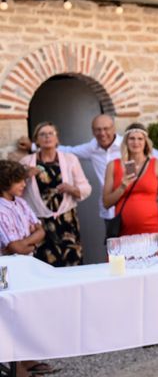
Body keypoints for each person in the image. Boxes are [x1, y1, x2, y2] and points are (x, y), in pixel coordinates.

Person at [20, 114, 158, 228]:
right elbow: (67, 150)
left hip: (137, 207)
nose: (102, 133)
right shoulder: (91, 148)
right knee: (115, 252)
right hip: (109, 209)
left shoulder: (130, 144)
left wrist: (141, 180)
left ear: (113, 128)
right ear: (92, 131)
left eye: (106, 129)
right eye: (98, 130)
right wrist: (34, 147)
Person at [0, 159, 55, 377]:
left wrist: (29, 240)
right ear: (5, 182)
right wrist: (31, 240)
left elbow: (41, 229)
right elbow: (14, 246)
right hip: (7, 269)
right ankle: (15, 365)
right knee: (12, 314)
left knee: (27, 311)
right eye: (18, 181)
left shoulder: (20, 203)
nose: (24, 184)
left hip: (25, 265)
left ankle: (26, 358)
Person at [20, 122, 91, 267]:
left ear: (57, 139)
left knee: (72, 263)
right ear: (36, 140)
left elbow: (85, 187)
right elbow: (15, 192)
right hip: (38, 224)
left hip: (67, 221)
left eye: (51, 133)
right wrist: (25, 175)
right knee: (43, 265)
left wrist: (71, 189)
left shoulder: (70, 159)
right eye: (42, 134)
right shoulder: (26, 162)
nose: (47, 137)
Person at [102, 123, 158, 253]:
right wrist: (122, 186)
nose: (136, 142)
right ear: (126, 141)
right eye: (132, 138)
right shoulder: (113, 165)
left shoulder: (157, 165)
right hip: (123, 233)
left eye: (140, 138)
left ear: (146, 142)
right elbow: (106, 203)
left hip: (151, 231)